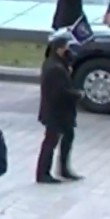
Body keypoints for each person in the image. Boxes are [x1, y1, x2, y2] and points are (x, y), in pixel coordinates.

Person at [36, 29, 82, 183]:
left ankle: (64, 169)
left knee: (68, 136)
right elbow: (59, 92)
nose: (67, 50)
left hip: (63, 113)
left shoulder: (57, 63)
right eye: (65, 47)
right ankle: (43, 173)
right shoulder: (54, 68)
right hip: (55, 113)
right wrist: (77, 94)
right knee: (51, 142)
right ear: (58, 49)